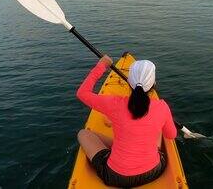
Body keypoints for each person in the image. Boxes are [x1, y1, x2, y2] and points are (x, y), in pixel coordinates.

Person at [76, 55, 177, 187]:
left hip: (115, 177)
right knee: (158, 130)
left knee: (83, 134)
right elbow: (171, 135)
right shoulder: (162, 107)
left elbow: (82, 93)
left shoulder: (114, 104)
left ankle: (120, 148)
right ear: (154, 84)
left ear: (129, 82)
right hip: (153, 172)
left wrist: (102, 65)